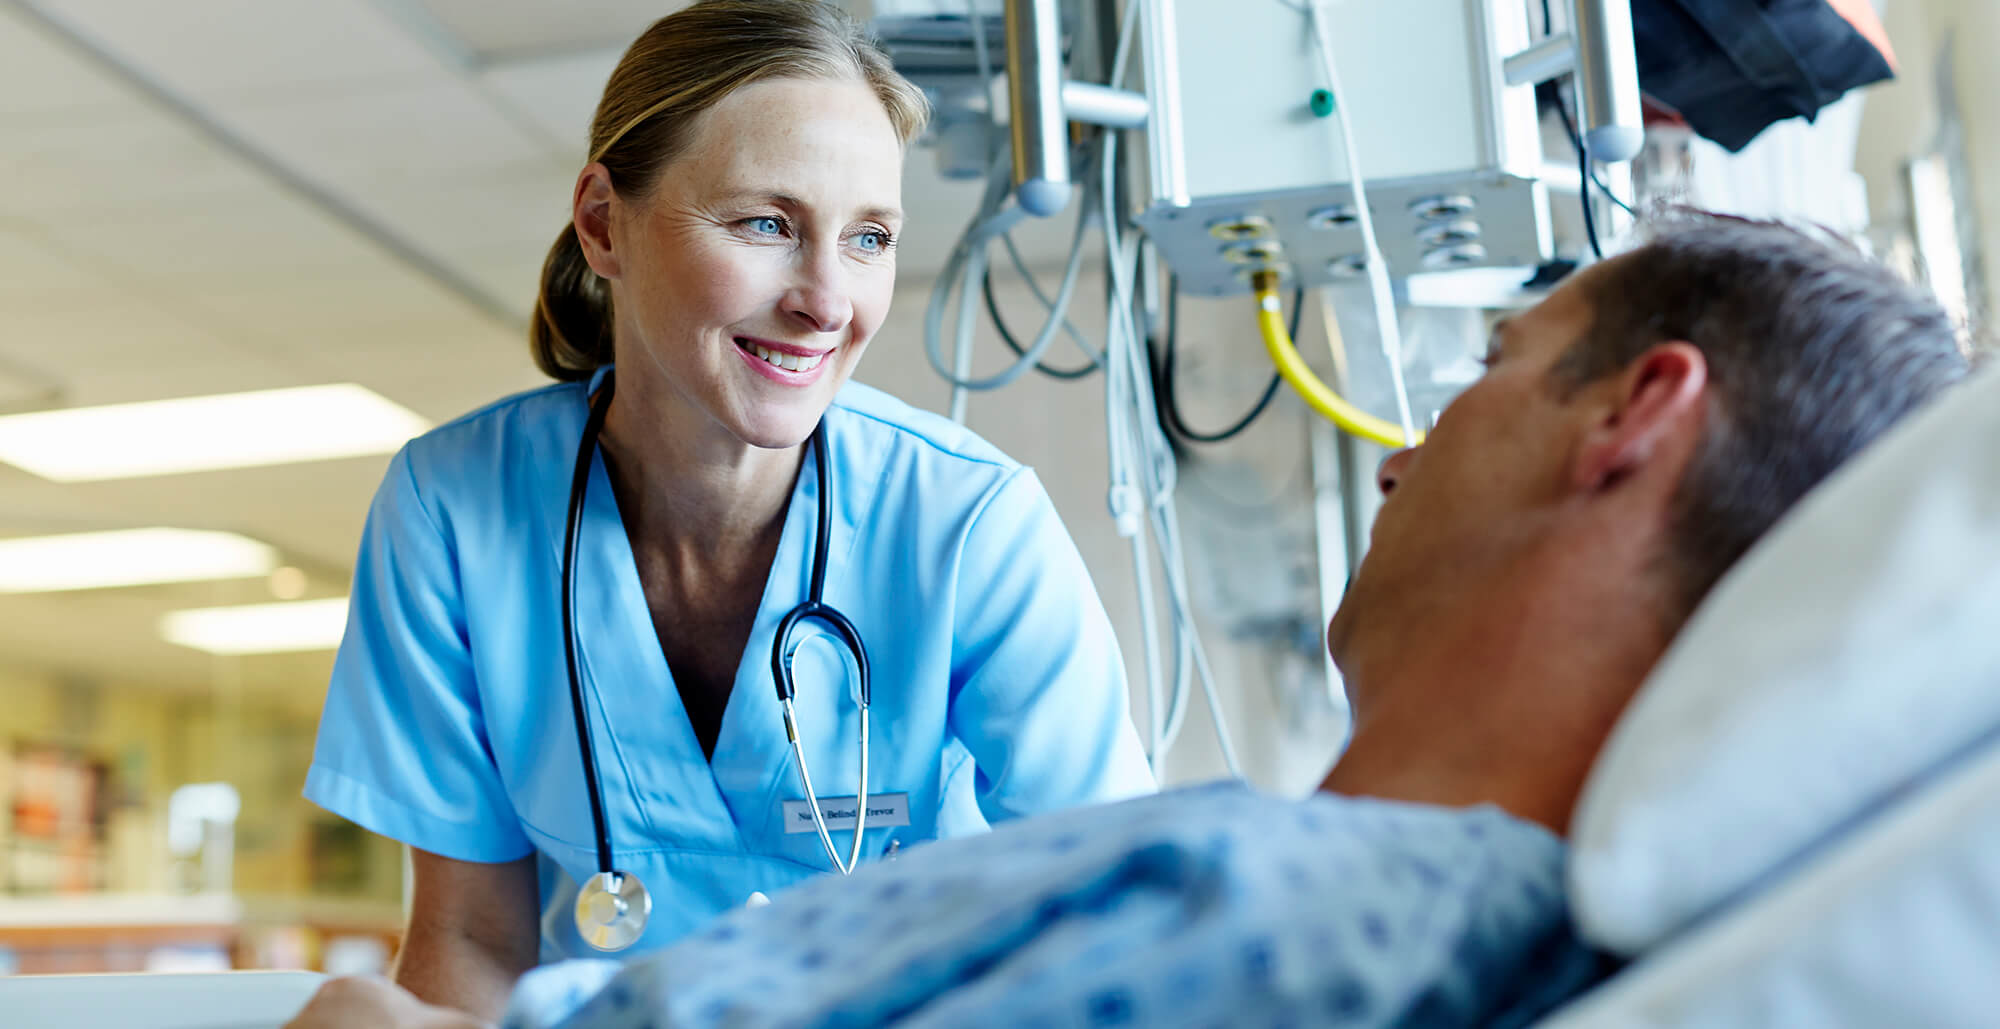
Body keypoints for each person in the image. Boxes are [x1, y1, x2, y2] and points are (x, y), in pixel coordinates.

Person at [289, 214, 1970, 1029]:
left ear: (1635, 419)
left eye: (1487, 371)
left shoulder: (1288, 908)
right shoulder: (1419, 915)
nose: (1406, 443)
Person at [304, 0, 1155, 1019]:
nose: (826, 299)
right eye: (766, 223)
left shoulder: (964, 523)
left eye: (868, 238)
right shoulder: (452, 511)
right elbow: (468, 937)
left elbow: (1119, 920)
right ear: (601, 223)